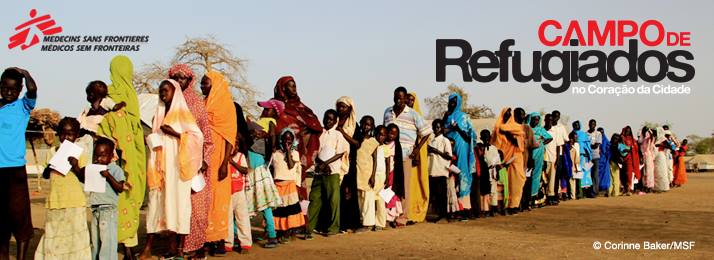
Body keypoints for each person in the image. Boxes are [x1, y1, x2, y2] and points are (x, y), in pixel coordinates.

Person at [142, 79, 204, 259]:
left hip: (178, 168)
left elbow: (196, 138)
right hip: (161, 168)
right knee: (158, 205)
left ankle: (178, 249)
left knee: (179, 206)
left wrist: (174, 133)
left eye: (166, 90)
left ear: (175, 92)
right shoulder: (158, 114)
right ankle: (160, 246)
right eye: (160, 91)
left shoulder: (183, 114)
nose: (163, 94)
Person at [96, 56, 147, 259]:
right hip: (125, 157)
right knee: (126, 198)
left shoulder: (112, 94)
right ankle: (125, 247)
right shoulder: (124, 96)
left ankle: (126, 246)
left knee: (127, 199)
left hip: (123, 155)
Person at [34, 117, 92, 259]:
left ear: (77, 135)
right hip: (55, 201)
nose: (66, 137)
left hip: (75, 202)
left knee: (75, 236)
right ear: (58, 134)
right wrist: (49, 168)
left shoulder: (80, 153)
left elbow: (85, 178)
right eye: (63, 133)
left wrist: (76, 166)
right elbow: (46, 175)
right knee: (54, 234)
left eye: (70, 134)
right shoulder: (51, 152)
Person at [0, 67, 37, 260]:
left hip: (15, 171)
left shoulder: (23, 107)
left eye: (14, 89)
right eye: (5, 88)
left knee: (20, 216)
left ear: (20, 89)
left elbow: (32, 90)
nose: (9, 92)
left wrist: (25, 72)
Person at [71, 138, 127, 260]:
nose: (98, 159)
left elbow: (120, 188)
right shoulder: (94, 168)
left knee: (108, 242)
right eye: (96, 156)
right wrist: (75, 167)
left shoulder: (115, 169)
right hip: (96, 210)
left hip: (108, 211)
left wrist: (108, 176)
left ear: (111, 155)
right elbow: (83, 179)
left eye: (102, 156)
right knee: (96, 242)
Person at [201, 71, 238, 253]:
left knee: (219, 199)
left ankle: (219, 241)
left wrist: (225, 163)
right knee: (205, 199)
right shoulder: (201, 104)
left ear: (215, 84)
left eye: (205, 83)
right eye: (201, 83)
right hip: (204, 159)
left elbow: (230, 138)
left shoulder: (227, 107)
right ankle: (206, 239)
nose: (202, 86)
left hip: (220, 159)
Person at [383, 87, 431, 223]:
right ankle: (388, 214)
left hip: (405, 156)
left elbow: (427, 131)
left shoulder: (413, 114)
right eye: (396, 97)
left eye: (401, 97)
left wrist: (417, 149)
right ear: (393, 97)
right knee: (388, 184)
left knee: (404, 187)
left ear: (405, 98)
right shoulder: (387, 112)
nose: (399, 100)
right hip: (389, 155)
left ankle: (402, 216)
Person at [274, 76, 323, 200]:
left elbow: (315, 125)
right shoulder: (274, 106)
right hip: (278, 154)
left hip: (297, 153)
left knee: (297, 188)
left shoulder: (301, 107)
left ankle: (299, 218)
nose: (294, 88)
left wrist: (301, 136)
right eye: (291, 86)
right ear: (283, 88)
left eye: (295, 85)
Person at [246, 99, 283, 247]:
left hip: (257, 166)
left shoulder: (270, 122)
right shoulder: (262, 121)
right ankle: (270, 234)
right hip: (255, 162)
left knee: (261, 202)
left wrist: (265, 137)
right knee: (262, 202)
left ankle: (271, 235)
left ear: (274, 112)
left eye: (267, 109)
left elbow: (272, 136)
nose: (264, 111)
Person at [308, 110, 348, 236]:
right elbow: (314, 151)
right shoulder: (320, 133)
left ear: (335, 121)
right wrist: (321, 164)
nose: (328, 121)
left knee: (333, 201)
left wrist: (326, 164)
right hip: (319, 171)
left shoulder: (337, 135)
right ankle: (309, 227)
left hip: (332, 171)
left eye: (331, 119)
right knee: (315, 199)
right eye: (326, 118)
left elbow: (340, 153)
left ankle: (333, 228)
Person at [443, 93, 477, 219]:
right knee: (451, 179)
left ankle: (465, 209)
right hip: (449, 149)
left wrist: (457, 129)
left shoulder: (464, 117)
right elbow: (441, 130)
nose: (452, 104)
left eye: (454, 102)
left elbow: (470, 137)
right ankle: (453, 209)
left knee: (463, 176)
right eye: (450, 101)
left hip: (462, 147)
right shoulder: (446, 116)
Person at [491, 108, 525, 215]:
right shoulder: (497, 128)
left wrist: (508, 132)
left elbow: (519, 142)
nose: (507, 117)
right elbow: (494, 144)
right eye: (505, 115)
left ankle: (514, 204)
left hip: (515, 157)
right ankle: (504, 207)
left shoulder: (515, 127)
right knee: (503, 184)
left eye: (509, 115)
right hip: (501, 160)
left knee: (518, 181)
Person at [335, 96, 361, 233]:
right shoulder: (333, 121)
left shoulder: (354, 125)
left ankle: (350, 223)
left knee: (349, 193)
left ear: (350, 108)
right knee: (337, 193)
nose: (341, 109)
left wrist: (342, 133)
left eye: (343, 106)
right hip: (335, 163)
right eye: (339, 106)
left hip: (349, 163)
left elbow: (357, 143)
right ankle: (338, 223)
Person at [356, 121, 388, 231]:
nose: (380, 136)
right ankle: (369, 221)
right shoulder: (370, 142)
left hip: (380, 176)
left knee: (380, 200)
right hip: (371, 174)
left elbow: (388, 164)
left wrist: (387, 177)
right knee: (368, 197)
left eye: (383, 135)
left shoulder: (384, 147)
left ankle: (380, 223)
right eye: (378, 134)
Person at [406, 92, 431, 223]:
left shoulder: (417, 116)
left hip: (416, 155)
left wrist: (417, 152)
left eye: (412, 100)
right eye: (407, 99)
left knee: (418, 183)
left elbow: (425, 134)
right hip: (405, 154)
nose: (409, 102)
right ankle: (407, 213)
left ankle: (418, 211)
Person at [226, 132, 252, 254]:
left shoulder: (240, 156)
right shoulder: (223, 156)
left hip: (239, 192)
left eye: (237, 144)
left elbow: (245, 170)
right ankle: (228, 244)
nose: (234, 147)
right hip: (227, 193)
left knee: (242, 219)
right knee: (227, 219)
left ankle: (245, 244)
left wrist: (232, 162)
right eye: (232, 144)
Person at [426, 119, 452, 223]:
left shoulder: (445, 140)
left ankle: (444, 216)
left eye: (438, 127)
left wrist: (436, 151)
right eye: (434, 127)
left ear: (442, 128)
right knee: (434, 195)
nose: (436, 129)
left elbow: (449, 156)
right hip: (432, 171)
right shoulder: (431, 141)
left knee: (442, 195)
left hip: (441, 171)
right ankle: (436, 214)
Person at [526, 113, 552, 207]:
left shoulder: (541, 129)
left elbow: (550, 138)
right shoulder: (527, 129)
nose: (535, 121)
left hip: (539, 154)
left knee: (536, 175)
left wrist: (542, 143)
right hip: (528, 154)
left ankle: (533, 197)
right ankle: (526, 197)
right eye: (534, 119)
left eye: (537, 119)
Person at [514, 108, 536, 211]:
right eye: (519, 115)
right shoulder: (511, 128)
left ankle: (525, 203)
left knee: (526, 183)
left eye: (523, 115)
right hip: (515, 160)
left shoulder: (527, 129)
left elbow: (531, 145)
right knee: (516, 183)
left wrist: (531, 159)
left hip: (526, 159)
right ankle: (516, 204)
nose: (521, 117)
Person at [385, 124, 405, 226]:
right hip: (382, 172)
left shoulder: (396, 146)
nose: (391, 135)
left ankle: (390, 218)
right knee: (384, 196)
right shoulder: (383, 144)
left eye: (394, 134)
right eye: (390, 133)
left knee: (390, 195)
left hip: (392, 173)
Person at [477, 130, 501, 217]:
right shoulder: (479, 148)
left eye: (487, 137)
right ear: (481, 138)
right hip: (484, 173)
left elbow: (498, 162)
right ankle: (486, 209)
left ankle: (494, 209)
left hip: (492, 171)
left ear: (490, 138)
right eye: (484, 137)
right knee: (485, 191)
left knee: (493, 191)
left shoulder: (494, 148)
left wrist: (497, 172)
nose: (486, 139)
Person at [550, 110, 569, 203]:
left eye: (557, 116)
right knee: (549, 176)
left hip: (559, 155)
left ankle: (555, 195)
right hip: (548, 154)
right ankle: (549, 195)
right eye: (554, 116)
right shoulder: (548, 127)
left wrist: (559, 144)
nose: (555, 118)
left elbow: (566, 139)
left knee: (557, 176)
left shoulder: (561, 127)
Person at [571, 121, 592, 199]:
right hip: (574, 156)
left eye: (578, 124)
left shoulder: (584, 134)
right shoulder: (572, 134)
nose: (577, 126)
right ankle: (576, 192)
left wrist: (589, 155)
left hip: (583, 157)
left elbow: (587, 145)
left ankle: (583, 192)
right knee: (575, 174)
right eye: (575, 125)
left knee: (584, 174)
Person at [543, 114, 559, 205]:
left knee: (552, 179)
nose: (549, 122)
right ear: (545, 120)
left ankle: (551, 196)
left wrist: (557, 159)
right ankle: (542, 197)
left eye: (551, 120)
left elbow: (558, 146)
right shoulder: (541, 130)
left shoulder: (555, 132)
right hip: (543, 158)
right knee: (543, 179)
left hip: (553, 158)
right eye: (548, 120)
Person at [621, 126, 641, 195]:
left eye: (629, 131)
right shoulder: (622, 138)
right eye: (626, 131)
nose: (627, 132)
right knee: (623, 175)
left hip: (632, 160)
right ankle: (625, 188)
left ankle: (629, 189)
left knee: (629, 174)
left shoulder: (633, 140)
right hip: (624, 159)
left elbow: (636, 150)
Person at [586, 120, 602, 197]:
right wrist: (591, 145)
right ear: (588, 125)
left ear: (595, 125)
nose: (592, 126)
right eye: (591, 124)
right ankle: (588, 191)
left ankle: (595, 191)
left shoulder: (598, 133)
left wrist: (589, 145)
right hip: (588, 157)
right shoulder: (586, 134)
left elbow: (596, 145)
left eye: (594, 124)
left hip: (595, 157)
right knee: (587, 174)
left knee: (595, 174)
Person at [639, 127, 656, 192]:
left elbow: (651, 138)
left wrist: (649, 131)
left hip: (648, 155)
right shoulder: (643, 138)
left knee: (649, 171)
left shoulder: (650, 137)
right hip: (644, 155)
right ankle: (645, 186)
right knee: (644, 171)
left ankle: (649, 186)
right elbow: (640, 141)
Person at [566, 132, 581, 200]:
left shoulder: (576, 146)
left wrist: (577, 167)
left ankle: (572, 196)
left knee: (572, 182)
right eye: (575, 137)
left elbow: (577, 159)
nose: (576, 138)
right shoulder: (567, 147)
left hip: (573, 167)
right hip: (567, 166)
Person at [597, 128, 612, 195]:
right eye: (600, 133)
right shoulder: (595, 140)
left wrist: (607, 157)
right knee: (597, 175)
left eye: (602, 133)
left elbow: (609, 149)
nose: (601, 134)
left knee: (605, 175)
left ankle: (606, 190)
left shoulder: (606, 141)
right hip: (597, 160)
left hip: (604, 160)